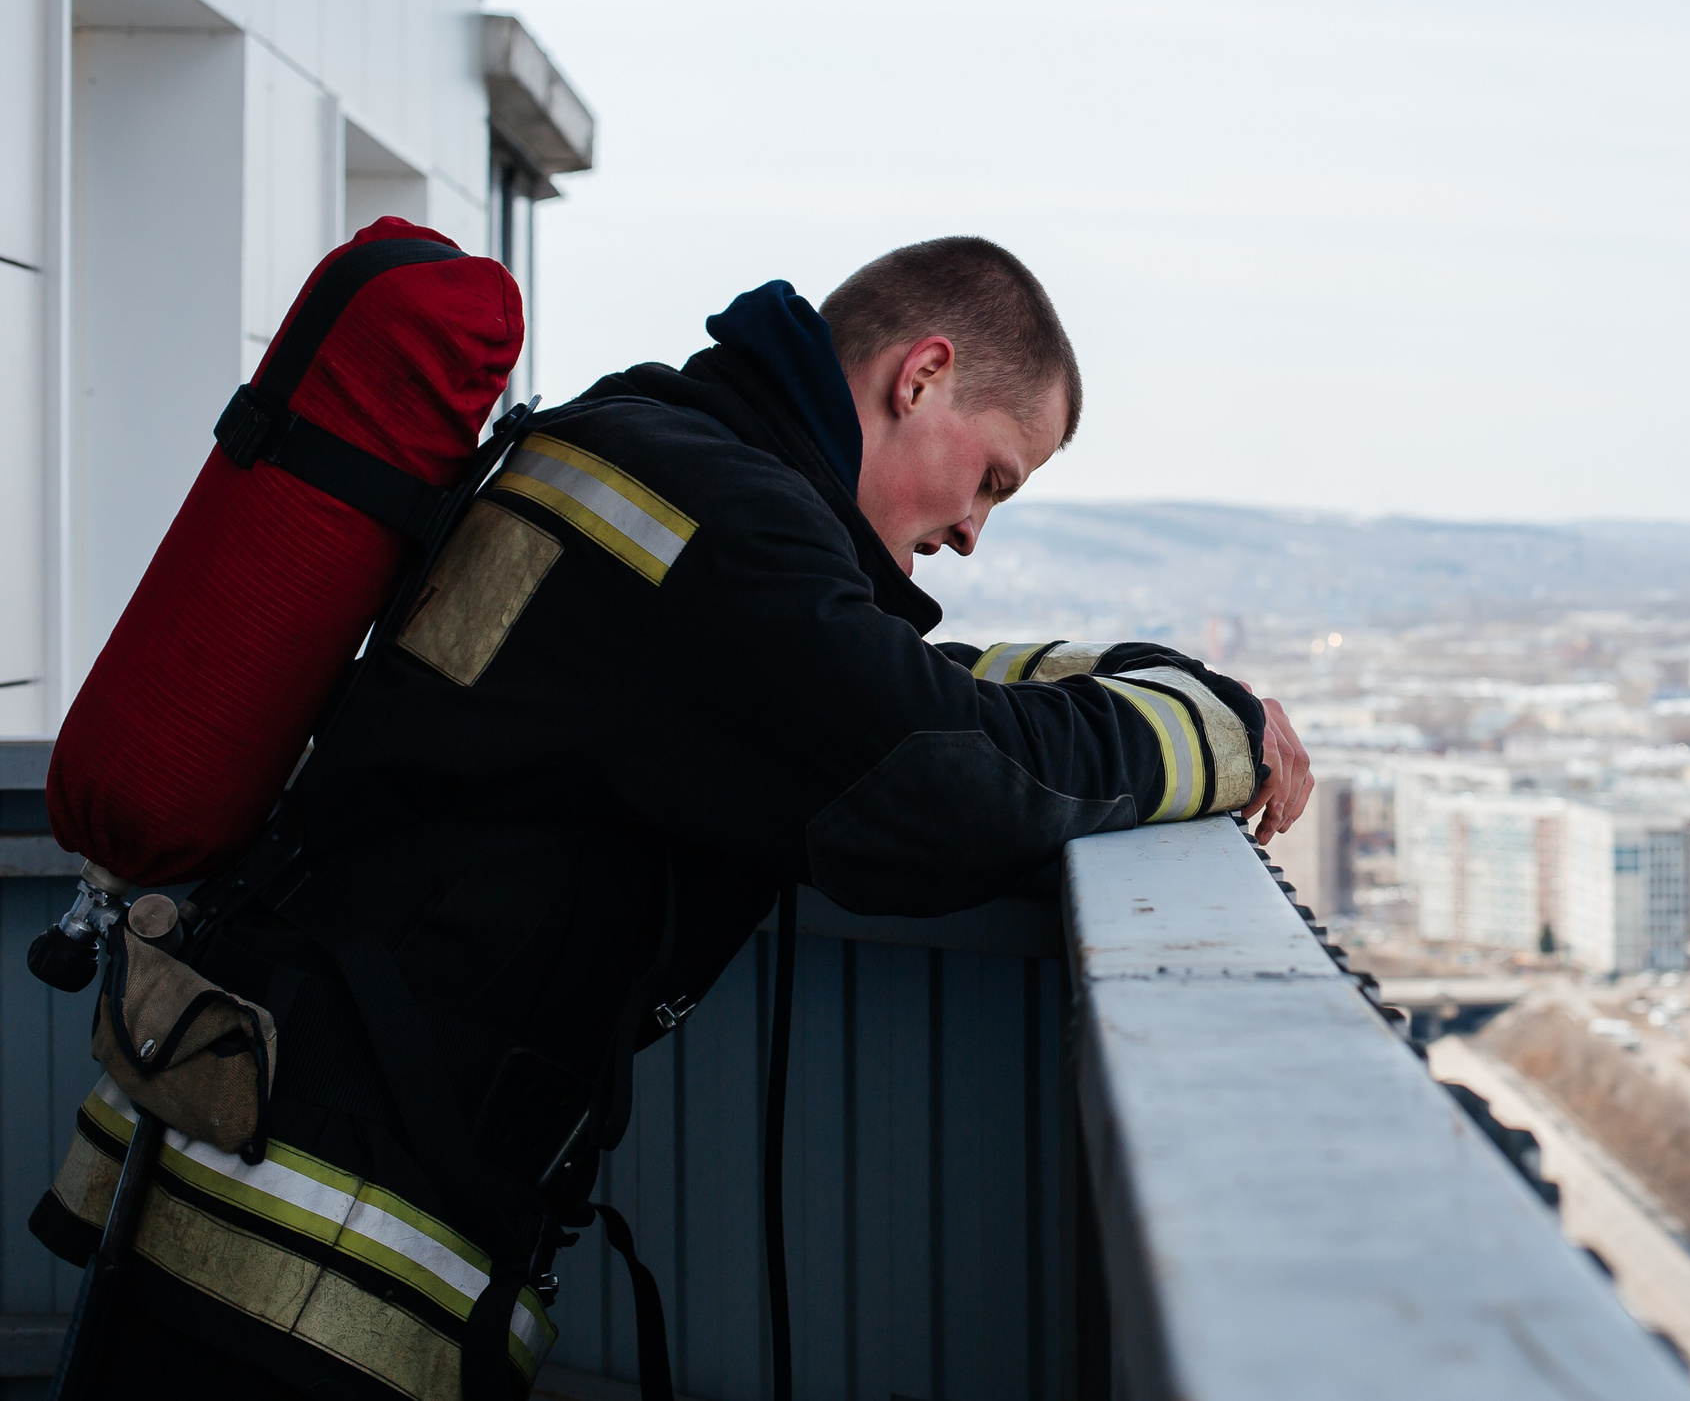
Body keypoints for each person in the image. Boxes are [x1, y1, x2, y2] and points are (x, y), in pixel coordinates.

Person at [34, 236, 1311, 1401]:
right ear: (921, 374)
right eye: (992, 477)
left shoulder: (657, 452)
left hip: (261, 1150)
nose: (974, 531)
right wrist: (1215, 735)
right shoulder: (722, 523)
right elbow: (941, 775)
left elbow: (881, 687)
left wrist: (1137, 677)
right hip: (310, 1241)